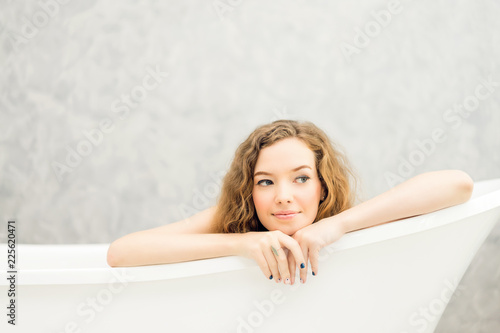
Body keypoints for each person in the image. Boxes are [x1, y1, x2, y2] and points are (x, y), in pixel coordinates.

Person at [107, 119, 474, 285]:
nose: (283, 195)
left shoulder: (345, 220)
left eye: (301, 178)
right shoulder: (238, 218)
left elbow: (459, 185)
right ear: (248, 191)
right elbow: (122, 253)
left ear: (322, 186)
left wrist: (337, 225)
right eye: (265, 181)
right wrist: (242, 241)